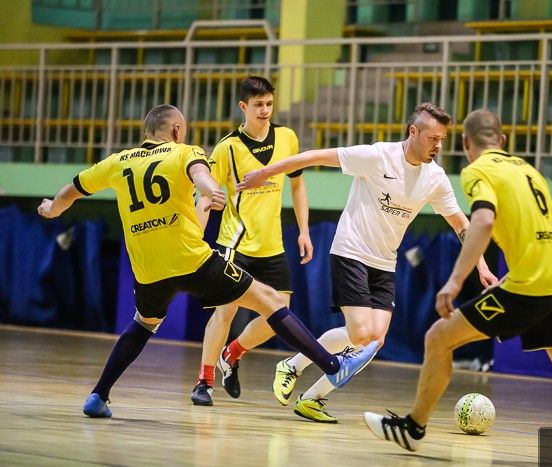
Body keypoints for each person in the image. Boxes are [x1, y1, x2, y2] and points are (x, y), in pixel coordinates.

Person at [363, 109, 552, 466]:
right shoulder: (529, 171)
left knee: (438, 338)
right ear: (503, 140)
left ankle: (413, 428)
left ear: (465, 143)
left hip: (529, 284)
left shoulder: (478, 170)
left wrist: (455, 281)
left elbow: (482, 220)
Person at [36, 104, 378, 418]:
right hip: (191, 260)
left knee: (143, 324)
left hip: (148, 270)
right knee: (270, 300)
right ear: (176, 130)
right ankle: (334, 366)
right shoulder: (185, 152)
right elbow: (200, 174)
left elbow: (71, 190)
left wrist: (52, 209)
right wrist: (210, 188)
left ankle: (98, 395)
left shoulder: (117, 161)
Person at [235, 103, 498, 423]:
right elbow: (313, 156)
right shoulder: (377, 156)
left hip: (385, 263)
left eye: (442, 139)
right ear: (413, 132)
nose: (439, 146)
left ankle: (312, 397)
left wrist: (482, 266)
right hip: (352, 251)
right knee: (360, 333)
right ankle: (292, 366)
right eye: (433, 138)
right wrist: (264, 173)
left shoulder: (435, 178)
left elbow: (461, 224)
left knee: (374, 340)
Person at [190, 76, 314, 406]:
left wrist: (304, 230)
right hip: (235, 243)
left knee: (280, 316)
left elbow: (297, 185)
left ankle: (232, 354)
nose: (265, 110)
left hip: (272, 245)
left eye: (269, 104)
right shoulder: (227, 148)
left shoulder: (287, 137)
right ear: (243, 107)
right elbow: (207, 196)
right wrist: (196, 237)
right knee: (225, 313)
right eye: (258, 105)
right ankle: (204, 382)